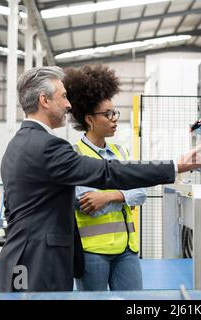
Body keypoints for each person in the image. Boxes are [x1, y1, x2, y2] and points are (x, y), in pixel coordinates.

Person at [0, 66, 201, 292]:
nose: (68, 104)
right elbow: (108, 173)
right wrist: (177, 166)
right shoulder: (49, 147)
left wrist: (109, 197)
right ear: (44, 100)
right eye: (63, 96)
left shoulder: (15, 146)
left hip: (22, 256)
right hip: (40, 261)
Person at [62, 64, 146, 291]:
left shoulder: (121, 152)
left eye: (114, 113)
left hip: (127, 249)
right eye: (107, 114)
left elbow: (141, 193)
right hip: (92, 252)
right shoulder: (74, 155)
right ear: (89, 119)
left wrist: (109, 196)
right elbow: (87, 203)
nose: (114, 119)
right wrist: (123, 195)